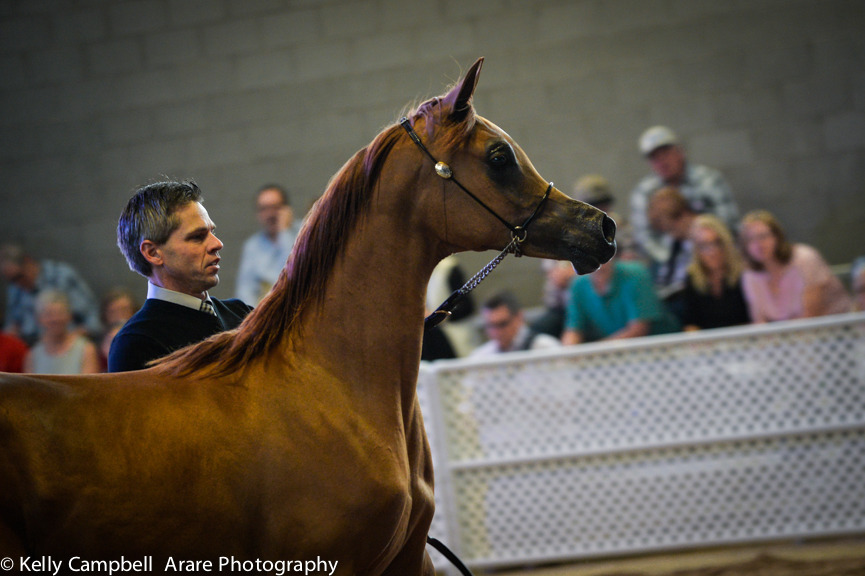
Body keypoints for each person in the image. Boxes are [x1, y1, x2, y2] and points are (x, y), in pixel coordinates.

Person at [109, 179, 253, 372]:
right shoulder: (136, 342)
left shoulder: (242, 314)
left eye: (212, 232)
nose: (217, 244)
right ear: (153, 253)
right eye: (197, 237)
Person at [630, 126, 739, 275]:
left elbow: (729, 224)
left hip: (716, 261)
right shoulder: (644, 193)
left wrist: (700, 244)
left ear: (680, 151)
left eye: (666, 153)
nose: (662, 161)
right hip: (671, 269)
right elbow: (644, 239)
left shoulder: (709, 180)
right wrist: (673, 255)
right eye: (654, 157)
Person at [739, 209, 851, 323]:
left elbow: (812, 314)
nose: (758, 244)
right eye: (750, 239)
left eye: (762, 236)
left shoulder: (805, 258)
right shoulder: (749, 275)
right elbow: (759, 322)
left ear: (777, 236)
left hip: (836, 327)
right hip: (790, 336)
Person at [561, 255, 680, 345]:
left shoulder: (635, 275)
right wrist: (569, 353)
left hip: (660, 346)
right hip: (615, 352)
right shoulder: (578, 285)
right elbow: (573, 329)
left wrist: (593, 352)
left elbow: (639, 329)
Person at [0, 243, 101, 346]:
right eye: (11, 280)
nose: (18, 284)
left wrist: (75, 336)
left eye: (19, 277)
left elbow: (92, 316)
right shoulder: (14, 289)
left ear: (27, 261)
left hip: (68, 343)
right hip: (32, 348)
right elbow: (11, 325)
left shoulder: (60, 276)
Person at [677, 214, 750, 331]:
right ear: (697, 251)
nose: (712, 251)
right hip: (708, 344)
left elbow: (752, 318)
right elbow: (691, 323)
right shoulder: (692, 278)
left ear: (726, 243)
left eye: (716, 243)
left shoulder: (743, 274)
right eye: (704, 245)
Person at [235, 183, 302, 306]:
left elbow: (293, 275)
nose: (270, 214)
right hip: (268, 315)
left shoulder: (304, 232)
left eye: (275, 207)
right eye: (264, 209)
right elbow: (245, 292)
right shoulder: (252, 246)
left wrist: (284, 233)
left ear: (287, 209)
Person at [24, 289, 100, 374]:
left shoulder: (86, 349)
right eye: (49, 314)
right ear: (38, 319)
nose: (55, 319)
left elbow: (89, 385)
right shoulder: (33, 355)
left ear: (70, 316)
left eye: (60, 313)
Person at [470, 291, 561, 356]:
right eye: (490, 325)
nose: (496, 332)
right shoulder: (480, 356)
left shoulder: (546, 348)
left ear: (518, 317)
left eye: (502, 324)